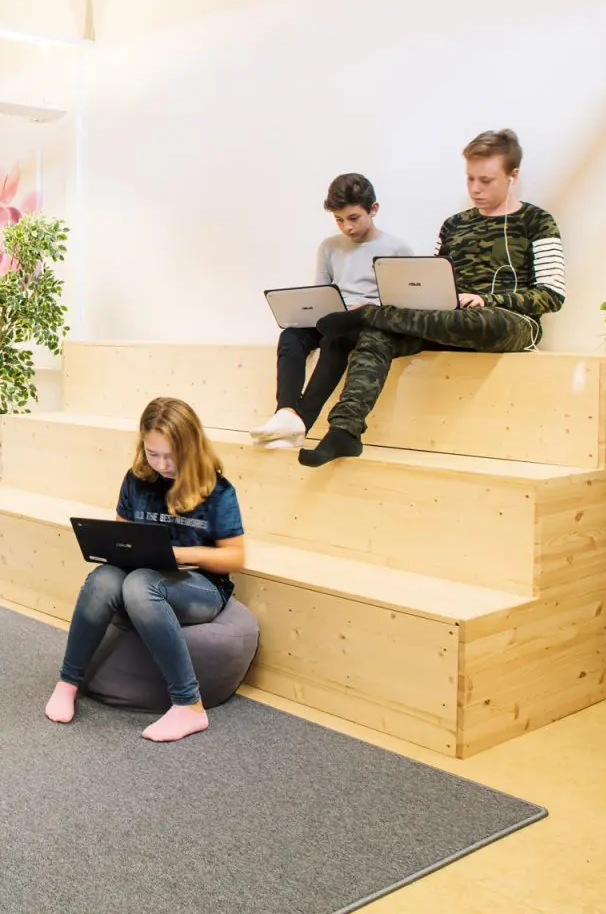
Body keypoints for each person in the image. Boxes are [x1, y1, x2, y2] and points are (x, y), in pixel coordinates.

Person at [299, 129, 565, 466]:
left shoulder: (537, 222)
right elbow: (430, 283)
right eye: (469, 179)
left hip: (506, 322)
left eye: (485, 180)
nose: (475, 189)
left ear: (512, 176)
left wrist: (487, 299)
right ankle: (344, 432)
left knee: (476, 319)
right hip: (445, 319)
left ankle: (367, 313)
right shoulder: (453, 226)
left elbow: (552, 295)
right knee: (377, 335)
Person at [44, 398, 245, 743]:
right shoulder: (136, 480)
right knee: (103, 579)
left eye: (171, 455)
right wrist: (117, 549)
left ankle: (189, 704)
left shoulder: (218, 490)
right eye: (153, 454)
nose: (163, 464)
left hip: (201, 584)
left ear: (191, 446)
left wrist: (179, 554)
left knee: (139, 584)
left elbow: (235, 558)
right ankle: (68, 681)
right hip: (145, 573)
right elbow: (122, 535)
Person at [249, 174, 410, 449]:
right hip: (334, 316)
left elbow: (402, 303)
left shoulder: (397, 248)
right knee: (291, 335)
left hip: (366, 322)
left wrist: (366, 308)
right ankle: (286, 412)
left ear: (373, 209)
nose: (347, 227)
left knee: (336, 337)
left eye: (353, 218)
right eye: (339, 220)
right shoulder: (329, 247)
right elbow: (321, 293)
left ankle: (301, 424)